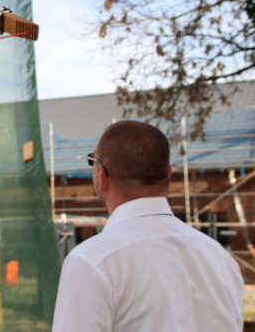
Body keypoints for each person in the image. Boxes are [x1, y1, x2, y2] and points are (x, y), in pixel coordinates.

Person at [52, 120, 244, 332]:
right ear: (168, 173)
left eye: (93, 162)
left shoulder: (92, 261)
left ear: (103, 175)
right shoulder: (220, 258)